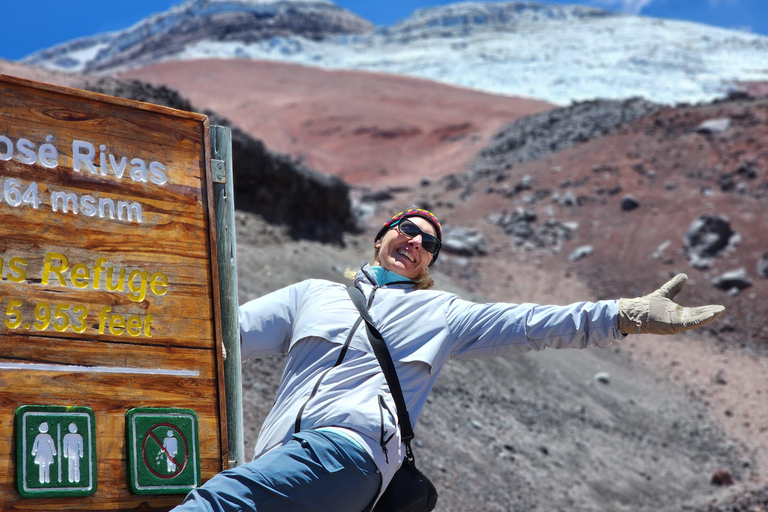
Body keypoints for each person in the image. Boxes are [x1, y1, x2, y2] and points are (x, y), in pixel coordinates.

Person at [173, 208, 724, 512]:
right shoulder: (310, 295)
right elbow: (224, 336)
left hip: (345, 452)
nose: (414, 241)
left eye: (428, 243)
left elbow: (532, 324)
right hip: (289, 458)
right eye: (406, 229)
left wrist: (625, 313)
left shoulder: (442, 312)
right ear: (382, 236)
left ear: (428, 262)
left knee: (222, 504)